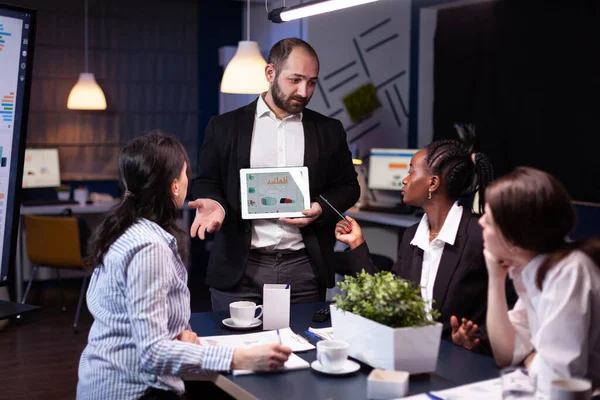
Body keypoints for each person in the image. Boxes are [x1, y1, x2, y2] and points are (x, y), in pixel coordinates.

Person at [77, 133, 291, 400]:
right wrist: (240, 358)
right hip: (135, 390)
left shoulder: (124, 230)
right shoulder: (149, 247)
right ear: (174, 187)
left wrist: (178, 336)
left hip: (103, 380)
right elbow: (153, 352)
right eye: (185, 173)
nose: (188, 179)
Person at [190, 38, 360, 312]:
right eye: (295, 80)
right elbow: (208, 181)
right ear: (270, 73)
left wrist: (320, 207)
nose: (304, 91)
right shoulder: (224, 127)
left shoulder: (329, 130)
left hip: (305, 268)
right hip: (240, 267)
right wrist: (215, 203)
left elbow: (349, 187)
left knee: (303, 348)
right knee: (234, 349)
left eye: (312, 82)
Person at [335, 139, 507, 352]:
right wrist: (357, 244)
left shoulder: (480, 236)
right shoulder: (412, 236)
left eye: (411, 172)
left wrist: (477, 339)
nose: (404, 180)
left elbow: (512, 307)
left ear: (433, 183)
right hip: (411, 350)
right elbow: (389, 298)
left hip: (461, 360)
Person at [477, 167, 600, 395]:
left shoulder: (569, 272)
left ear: (514, 238)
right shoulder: (532, 267)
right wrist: (496, 278)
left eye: (489, 220)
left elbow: (558, 381)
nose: (481, 223)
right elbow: (506, 353)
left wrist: (533, 360)